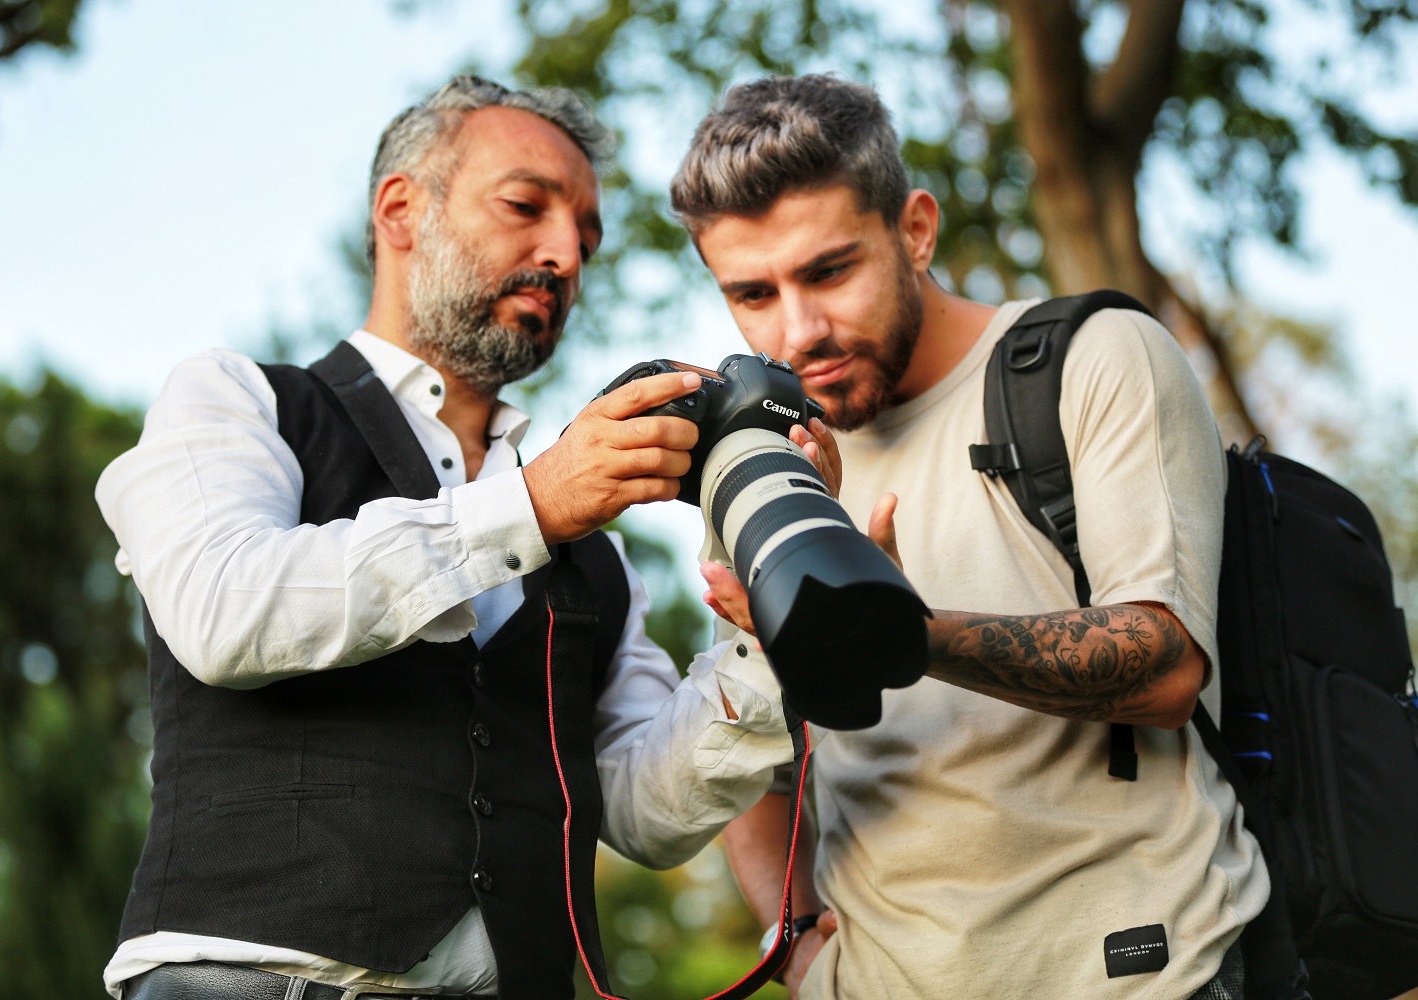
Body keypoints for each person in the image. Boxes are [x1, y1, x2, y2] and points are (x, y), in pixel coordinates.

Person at [96, 75, 796, 1000]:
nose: (565, 254)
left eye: (585, 237)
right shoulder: (238, 400)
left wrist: (761, 637)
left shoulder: (599, 556)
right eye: (525, 206)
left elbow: (639, 813)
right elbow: (225, 612)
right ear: (401, 210)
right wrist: (533, 506)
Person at [671, 74, 1271, 1000]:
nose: (799, 330)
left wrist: (906, 632)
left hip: (1144, 975)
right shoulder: (756, 467)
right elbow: (749, 752)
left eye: (830, 270)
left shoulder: (1094, 357)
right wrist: (790, 944)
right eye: (752, 293)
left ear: (915, 229)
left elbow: (1163, 668)